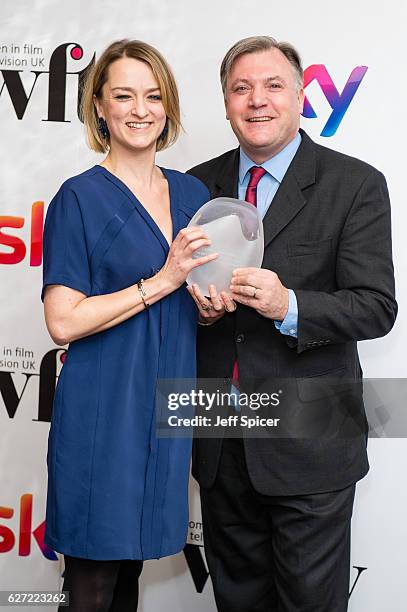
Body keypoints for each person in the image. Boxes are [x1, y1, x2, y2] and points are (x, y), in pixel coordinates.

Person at [187, 36, 397, 612]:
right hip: (220, 440)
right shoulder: (192, 187)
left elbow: (377, 306)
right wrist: (196, 306)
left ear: (302, 96)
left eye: (273, 85)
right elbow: (171, 296)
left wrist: (290, 306)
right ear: (226, 101)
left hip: (313, 439)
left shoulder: (354, 184)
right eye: (241, 88)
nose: (258, 100)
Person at [41, 39, 216, 612]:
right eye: (123, 95)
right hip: (103, 411)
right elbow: (62, 322)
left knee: (129, 577)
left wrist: (208, 303)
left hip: (166, 409)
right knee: (91, 582)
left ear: (168, 107)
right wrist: (162, 281)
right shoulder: (79, 198)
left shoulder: (194, 194)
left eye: (153, 95)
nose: (140, 110)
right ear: (98, 106)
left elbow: (195, 296)